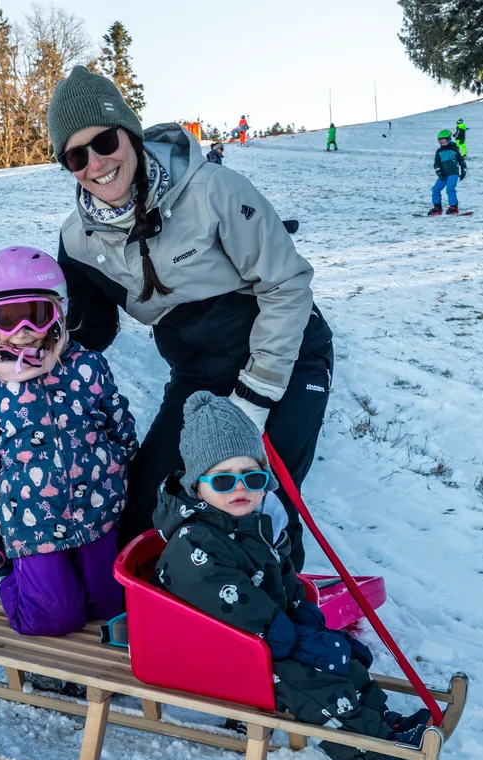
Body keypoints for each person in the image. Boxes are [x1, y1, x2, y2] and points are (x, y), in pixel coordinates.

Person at [48, 66, 333, 570]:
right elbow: (95, 330)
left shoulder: (213, 190)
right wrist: (38, 342)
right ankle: (159, 613)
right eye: (76, 155)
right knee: (145, 505)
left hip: (286, 358)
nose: (97, 163)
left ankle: (273, 622)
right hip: (198, 374)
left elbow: (286, 284)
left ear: (130, 135)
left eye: (106, 141)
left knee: (259, 503)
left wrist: (257, 393)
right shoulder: (78, 241)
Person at [153, 392, 432, 760]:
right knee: (307, 681)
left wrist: (306, 620)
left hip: (259, 639)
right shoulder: (196, 544)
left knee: (344, 658)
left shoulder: (253, 524)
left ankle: (380, 723)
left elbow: (282, 582)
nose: (240, 489)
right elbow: (233, 606)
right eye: (224, 479)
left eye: (253, 477)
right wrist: (295, 639)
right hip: (220, 651)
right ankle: (372, 756)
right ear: (197, 485)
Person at [0, 246, 138, 636]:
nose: (21, 330)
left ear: (58, 312)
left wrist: (126, 473)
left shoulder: (87, 367)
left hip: (97, 511)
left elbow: (119, 424)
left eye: (35, 314)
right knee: (56, 616)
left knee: (109, 604)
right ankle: (14, 587)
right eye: (5, 318)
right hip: (32, 525)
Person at [428, 129, 466, 216]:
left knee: (450, 189)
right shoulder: (439, 151)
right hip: (443, 175)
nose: (442, 143)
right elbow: (436, 163)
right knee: (435, 189)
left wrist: (464, 170)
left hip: (453, 173)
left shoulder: (454, 149)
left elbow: (461, 160)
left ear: (449, 139)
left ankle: (453, 207)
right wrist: (439, 172)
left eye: (444, 140)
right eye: (440, 141)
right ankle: (437, 208)